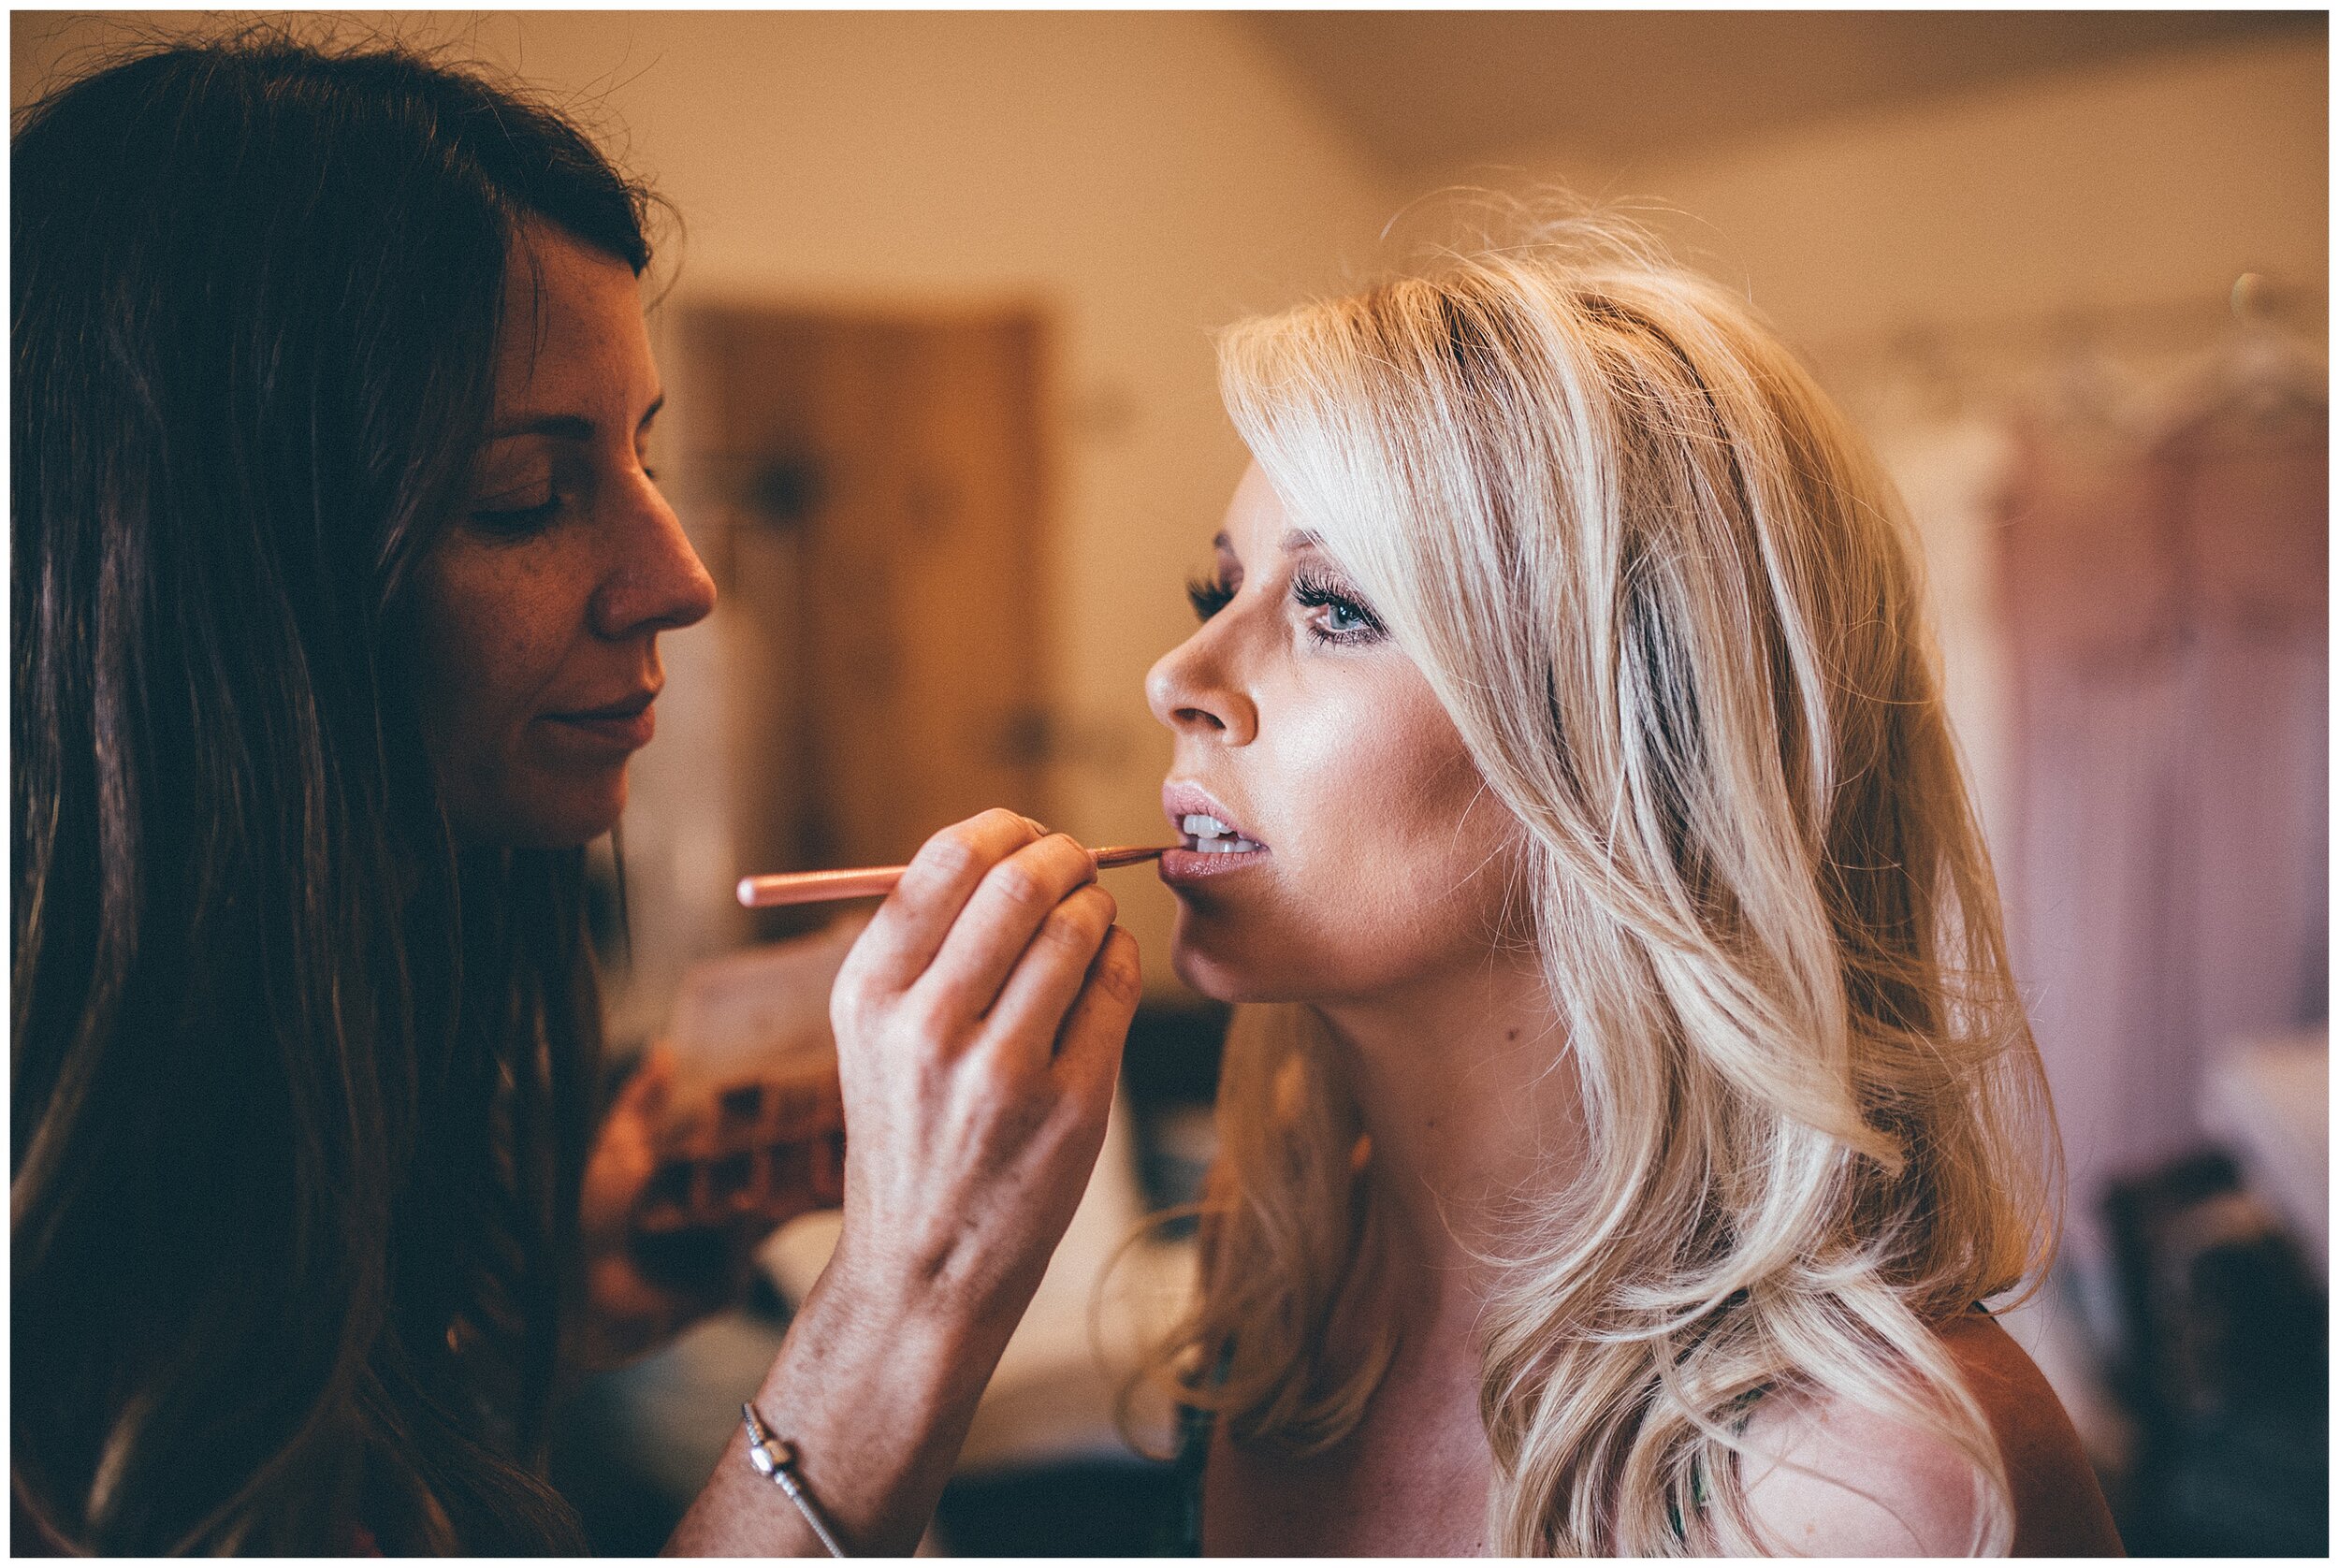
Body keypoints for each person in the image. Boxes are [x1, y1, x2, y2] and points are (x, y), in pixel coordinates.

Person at [13, 36, 1135, 1555]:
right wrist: (902, 1304)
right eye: (525, 498)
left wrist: (539, 1297)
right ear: (224, 581)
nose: (682, 579)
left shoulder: (305, 1082)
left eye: (642, 455)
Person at [1133, 222, 2126, 1553]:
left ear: (1632, 757)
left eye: (1333, 607)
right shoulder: (1285, 1321)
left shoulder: (1869, 1489)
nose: (1178, 675)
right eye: (1220, 583)